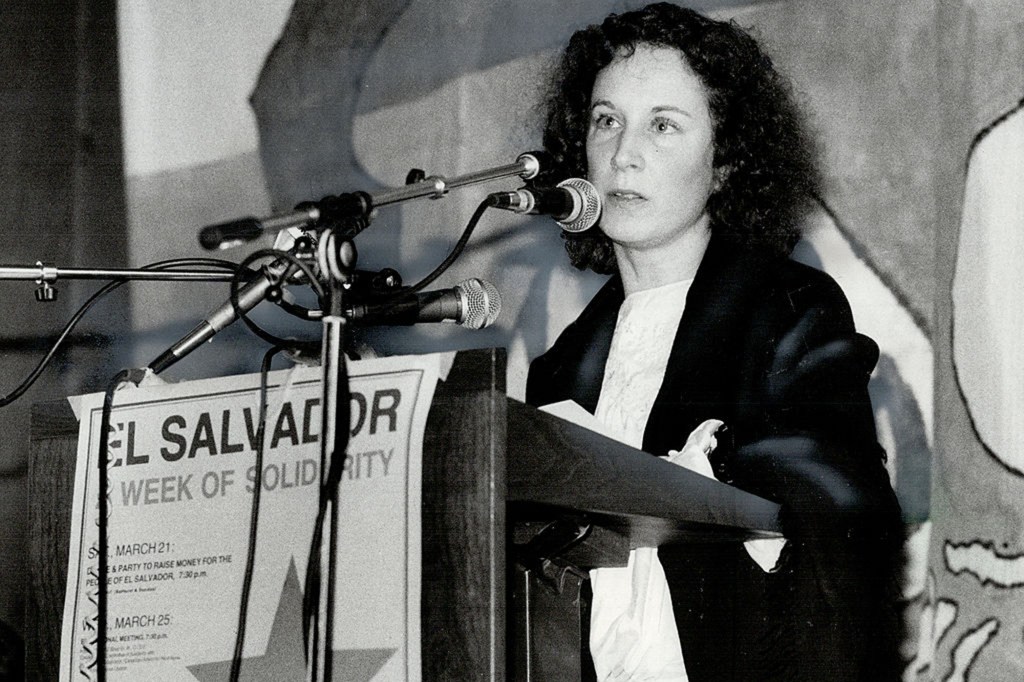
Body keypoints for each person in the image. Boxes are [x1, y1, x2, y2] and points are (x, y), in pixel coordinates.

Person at [526, 4, 902, 680]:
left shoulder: (787, 311)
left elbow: (846, 526)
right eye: (606, 120)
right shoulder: (559, 368)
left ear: (725, 161)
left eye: (663, 125)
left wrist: (714, 470)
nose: (623, 152)